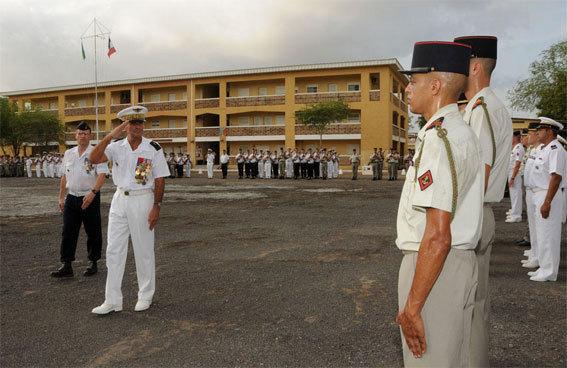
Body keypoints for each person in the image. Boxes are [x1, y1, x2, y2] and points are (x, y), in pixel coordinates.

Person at [395, 40, 483, 367]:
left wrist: (413, 307)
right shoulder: (459, 130)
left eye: (413, 81)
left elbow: (437, 234)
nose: (407, 88)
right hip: (454, 265)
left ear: (435, 86)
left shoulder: (439, 137)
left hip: (434, 270)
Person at [455, 34, 513, 367]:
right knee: (475, 303)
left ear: (475, 66)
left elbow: (482, 168)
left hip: (473, 215)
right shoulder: (485, 106)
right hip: (478, 213)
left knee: (470, 307)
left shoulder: (482, 108)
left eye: (459, 64)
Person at [89, 105, 169, 314]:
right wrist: (109, 136)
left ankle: (145, 295)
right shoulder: (116, 146)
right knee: (113, 250)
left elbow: (159, 179)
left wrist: (156, 207)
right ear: (125, 126)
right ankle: (113, 300)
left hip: (142, 200)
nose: (137, 127)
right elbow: (94, 159)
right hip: (119, 200)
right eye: (132, 123)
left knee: (143, 250)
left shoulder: (152, 148)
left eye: (140, 122)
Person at [50, 122, 108, 278]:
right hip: (72, 196)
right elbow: (64, 176)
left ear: (90, 135)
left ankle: (93, 262)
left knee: (93, 230)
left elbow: (102, 175)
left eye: (86, 133)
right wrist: (61, 197)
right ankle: (66, 264)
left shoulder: (96, 152)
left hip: (89, 196)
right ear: (75, 136)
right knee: (68, 231)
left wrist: (93, 193)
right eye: (80, 133)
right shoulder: (69, 154)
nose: (83, 136)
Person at [525, 117, 565, 282]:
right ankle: (543, 267)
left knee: (548, 234)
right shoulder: (545, 149)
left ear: (550, 131)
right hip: (538, 193)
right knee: (541, 233)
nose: (538, 132)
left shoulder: (556, 149)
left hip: (548, 194)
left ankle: (549, 271)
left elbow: (555, 177)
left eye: (541, 130)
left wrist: (547, 202)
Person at [507, 130, 525, 222]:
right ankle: (514, 212)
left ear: (515, 137)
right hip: (511, 173)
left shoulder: (519, 148)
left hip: (515, 174)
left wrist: (513, 178)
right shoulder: (514, 147)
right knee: (513, 195)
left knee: (516, 195)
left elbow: (517, 164)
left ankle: (516, 216)